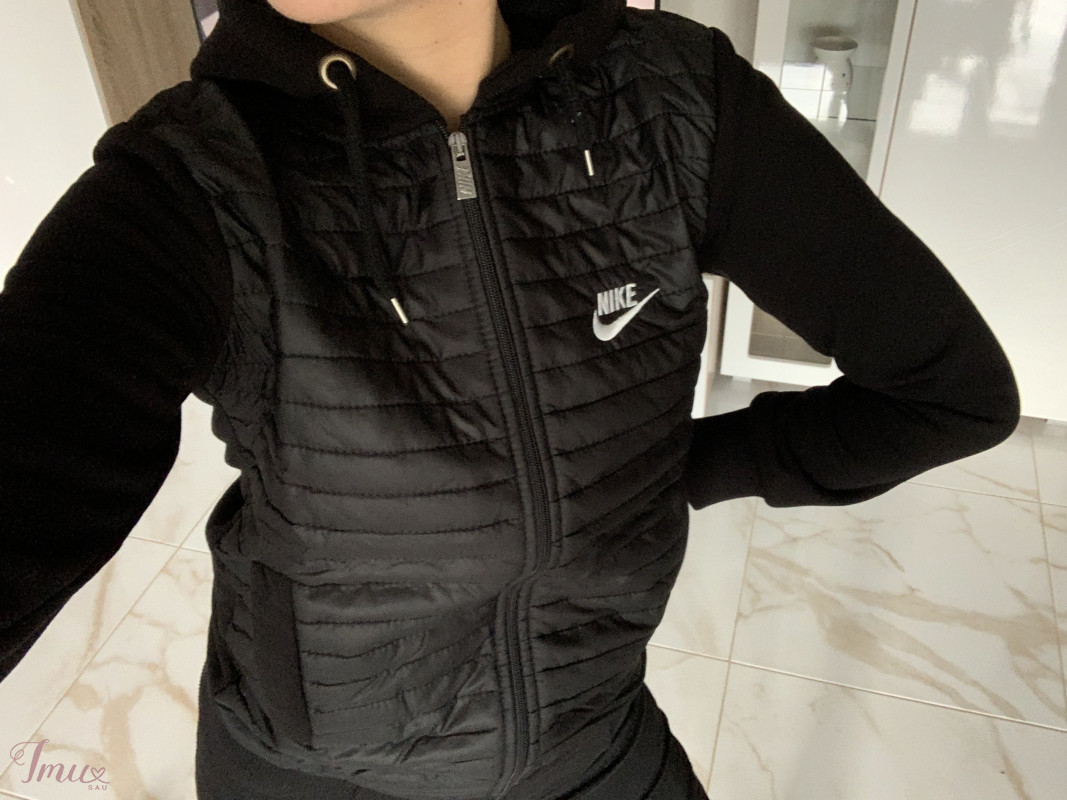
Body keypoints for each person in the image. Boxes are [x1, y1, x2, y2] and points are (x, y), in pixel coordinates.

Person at [0, 0, 1021, 798]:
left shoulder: (672, 100)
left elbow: (948, 392)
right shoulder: (196, 177)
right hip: (313, 771)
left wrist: (671, 471)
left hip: (593, 745)